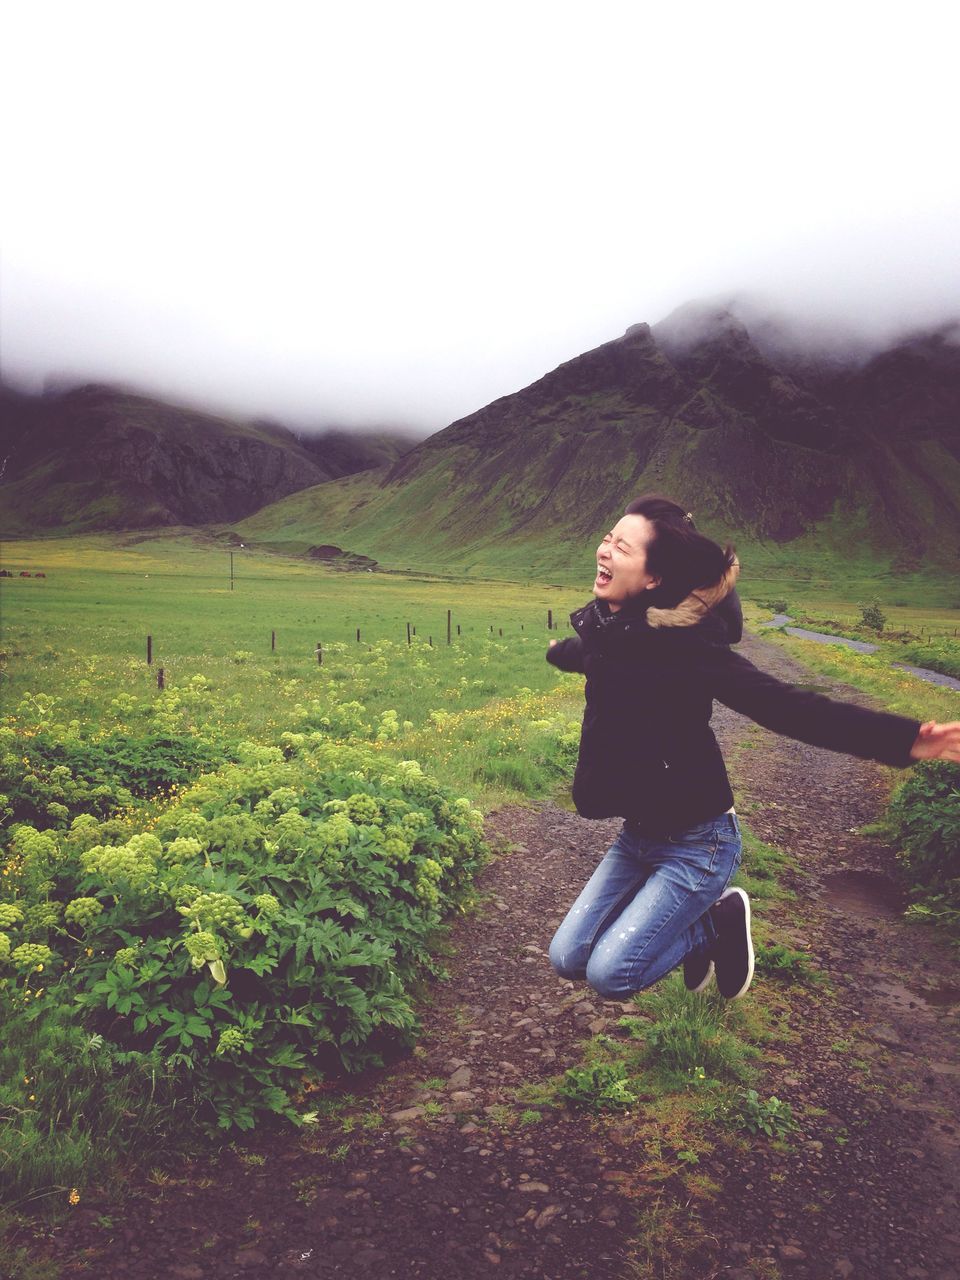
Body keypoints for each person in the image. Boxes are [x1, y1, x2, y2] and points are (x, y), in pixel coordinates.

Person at [545, 495, 960, 1002]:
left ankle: (713, 926)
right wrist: (556, 654)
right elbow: (586, 654)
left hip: (698, 842)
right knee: (567, 958)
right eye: (608, 538)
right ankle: (693, 926)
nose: (605, 551)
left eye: (622, 547)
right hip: (638, 836)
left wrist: (906, 739)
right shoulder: (611, 633)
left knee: (612, 975)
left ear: (653, 578)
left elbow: (786, 706)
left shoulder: (687, 648)